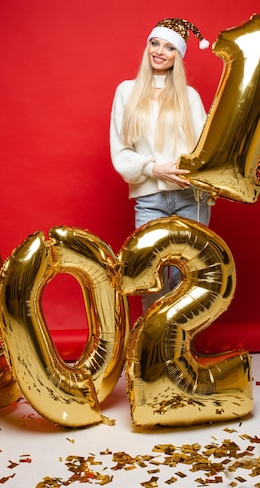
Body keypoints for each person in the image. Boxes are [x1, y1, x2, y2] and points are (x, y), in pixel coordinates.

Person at [109, 17, 211, 311]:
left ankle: (180, 350)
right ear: (148, 46)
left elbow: (207, 151)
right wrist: (154, 169)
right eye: (155, 43)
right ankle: (155, 353)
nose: (160, 52)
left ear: (178, 56)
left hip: (190, 198)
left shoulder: (189, 97)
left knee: (189, 278)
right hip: (149, 199)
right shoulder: (126, 92)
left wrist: (245, 157)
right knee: (150, 277)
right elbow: (121, 151)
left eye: (169, 48)